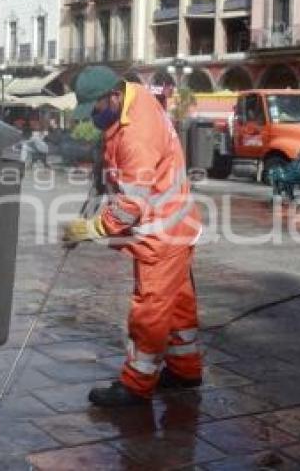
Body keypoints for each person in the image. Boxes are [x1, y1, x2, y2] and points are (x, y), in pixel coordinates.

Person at [63, 66, 202, 407]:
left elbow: (130, 206)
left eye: (95, 109)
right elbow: (121, 157)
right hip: (176, 226)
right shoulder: (135, 98)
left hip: (161, 234)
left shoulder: (136, 133)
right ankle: (186, 369)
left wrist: (90, 229)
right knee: (179, 306)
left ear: (113, 96)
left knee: (150, 312)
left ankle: (137, 384)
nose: (94, 117)